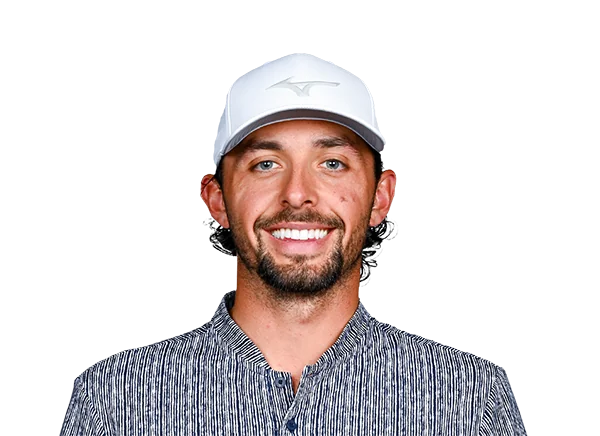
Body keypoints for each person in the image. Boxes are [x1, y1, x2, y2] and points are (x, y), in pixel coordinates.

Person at [60, 53, 527, 435]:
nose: (298, 193)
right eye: (265, 164)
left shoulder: (469, 399)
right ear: (217, 198)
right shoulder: (114, 400)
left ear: (380, 197)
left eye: (332, 164)